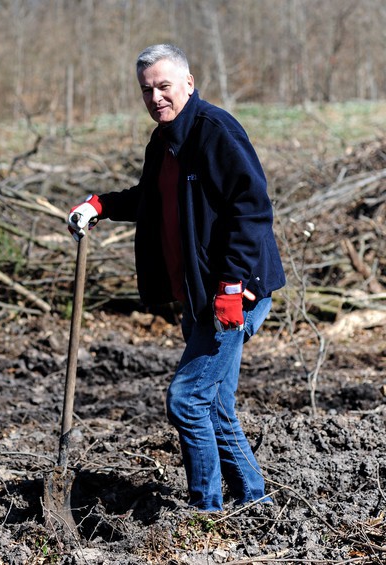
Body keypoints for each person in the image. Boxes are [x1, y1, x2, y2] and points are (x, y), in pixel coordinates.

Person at [67, 44, 286, 512]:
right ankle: (255, 501)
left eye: (164, 86)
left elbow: (252, 209)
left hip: (233, 294)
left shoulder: (214, 131)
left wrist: (232, 285)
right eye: (147, 90)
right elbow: (151, 197)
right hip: (200, 296)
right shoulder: (164, 140)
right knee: (215, 405)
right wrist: (101, 204)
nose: (156, 97)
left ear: (188, 82)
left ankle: (204, 510)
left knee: (187, 399)